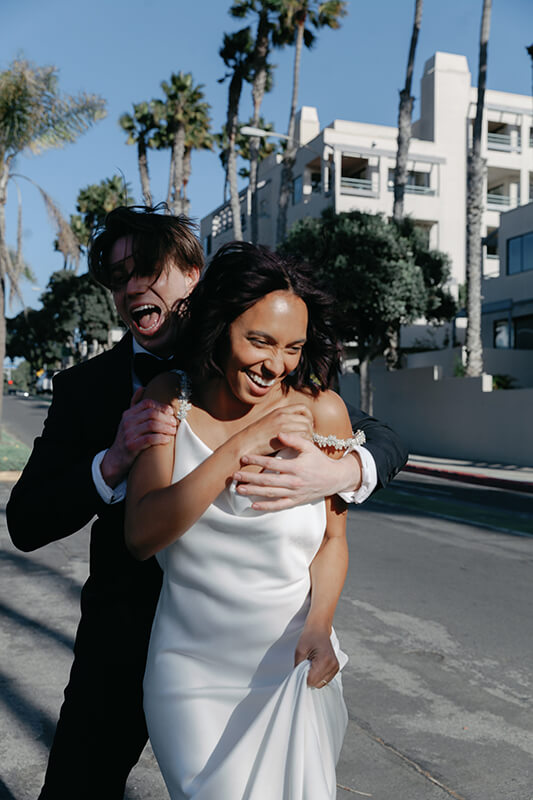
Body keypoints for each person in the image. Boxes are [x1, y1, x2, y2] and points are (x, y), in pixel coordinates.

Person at [6, 205, 407, 800]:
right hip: (131, 645)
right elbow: (26, 522)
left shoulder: (265, 339)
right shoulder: (89, 390)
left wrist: (341, 468)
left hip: (268, 651)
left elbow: (382, 439)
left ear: (194, 274)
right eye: (118, 278)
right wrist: (109, 462)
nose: (132, 286)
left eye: (147, 268)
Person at [125, 241, 357, 798]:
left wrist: (320, 625)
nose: (275, 364)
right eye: (259, 340)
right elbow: (141, 535)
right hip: (190, 674)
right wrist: (240, 446)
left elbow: (333, 539)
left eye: (292, 347)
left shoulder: (321, 411)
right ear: (220, 325)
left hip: (291, 659)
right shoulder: (169, 401)